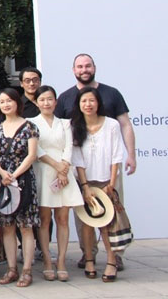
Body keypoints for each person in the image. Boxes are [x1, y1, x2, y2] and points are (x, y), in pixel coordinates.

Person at [55, 54, 136, 273]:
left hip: (108, 173)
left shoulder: (112, 94)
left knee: (112, 213)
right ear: (73, 70)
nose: (84, 69)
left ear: (94, 67)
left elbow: (126, 125)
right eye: (80, 66)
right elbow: (60, 135)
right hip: (81, 174)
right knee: (85, 218)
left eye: (88, 65)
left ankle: (115, 256)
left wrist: (131, 155)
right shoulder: (65, 98)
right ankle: (87, 253)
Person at [71, 86, 132, 282]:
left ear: (98, 103)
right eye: (84, 101)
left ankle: (112, 262)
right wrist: (85, 185)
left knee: (107, 224)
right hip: (86, 182)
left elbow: (116, 155)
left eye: (91, 101)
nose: (88, 105)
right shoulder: (75, 126)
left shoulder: (112, 125)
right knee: (87, 224)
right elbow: (77, 158)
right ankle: (89, 260)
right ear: (78, 105)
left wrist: (111, 183)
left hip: (106, 181)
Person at [28, 85, 83, 282]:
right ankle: (47, 262)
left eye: (50, 99)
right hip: (43, 171)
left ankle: (61, 261)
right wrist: (56, 166)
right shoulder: (30, 123)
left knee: (62, 218)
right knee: (44, 220)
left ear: (56, 101)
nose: (46, 103)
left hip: (64, 174)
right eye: (42, 99)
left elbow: (69, 147)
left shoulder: (65, 123)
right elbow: (37, 150)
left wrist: (64, 168)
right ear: (36, 102)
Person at [0, 88, 40, 287]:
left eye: (9, 100)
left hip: (23, 179)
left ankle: (27, 270)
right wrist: (2, 173)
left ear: (17, 102)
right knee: (7, 226)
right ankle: (12, 269)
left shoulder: (30, 127)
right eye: (2, 102)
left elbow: (32, 155)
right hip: (2, 181)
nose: (6, 104)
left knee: (25, 226)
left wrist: (14, 175)